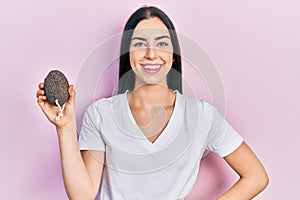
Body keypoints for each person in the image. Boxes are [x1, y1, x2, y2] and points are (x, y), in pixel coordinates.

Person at [36, 6, 268, 200]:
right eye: (139, 44)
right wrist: (64, 127)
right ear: (128, 52)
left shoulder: (202, 116)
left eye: (161, 44)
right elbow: (83, 195)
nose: (151, 54)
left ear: (173, 52)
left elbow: (256, 176)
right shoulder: (101, 114)